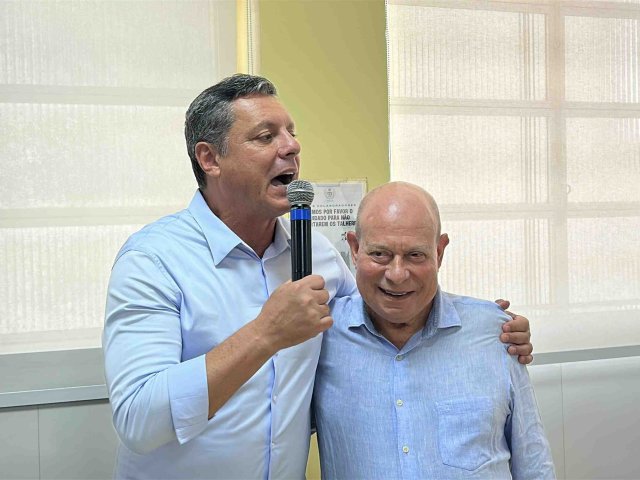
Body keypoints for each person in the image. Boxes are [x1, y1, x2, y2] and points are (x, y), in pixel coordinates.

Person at [102, 74, 533, 479]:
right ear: (210, 158)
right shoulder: (153, 260)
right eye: (266, 136)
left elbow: (383, 309)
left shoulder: (319, 255)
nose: (291, 147)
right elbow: (139, 420)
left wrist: (480, 326)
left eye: (291, 133)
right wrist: (265, 334)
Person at [314, 181, 554, 479]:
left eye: (415, 255)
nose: (397, 274)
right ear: (354, 248)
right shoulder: (319, 336)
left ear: (439, 252)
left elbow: (533, 462)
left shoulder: (496, 333)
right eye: (380, 254)